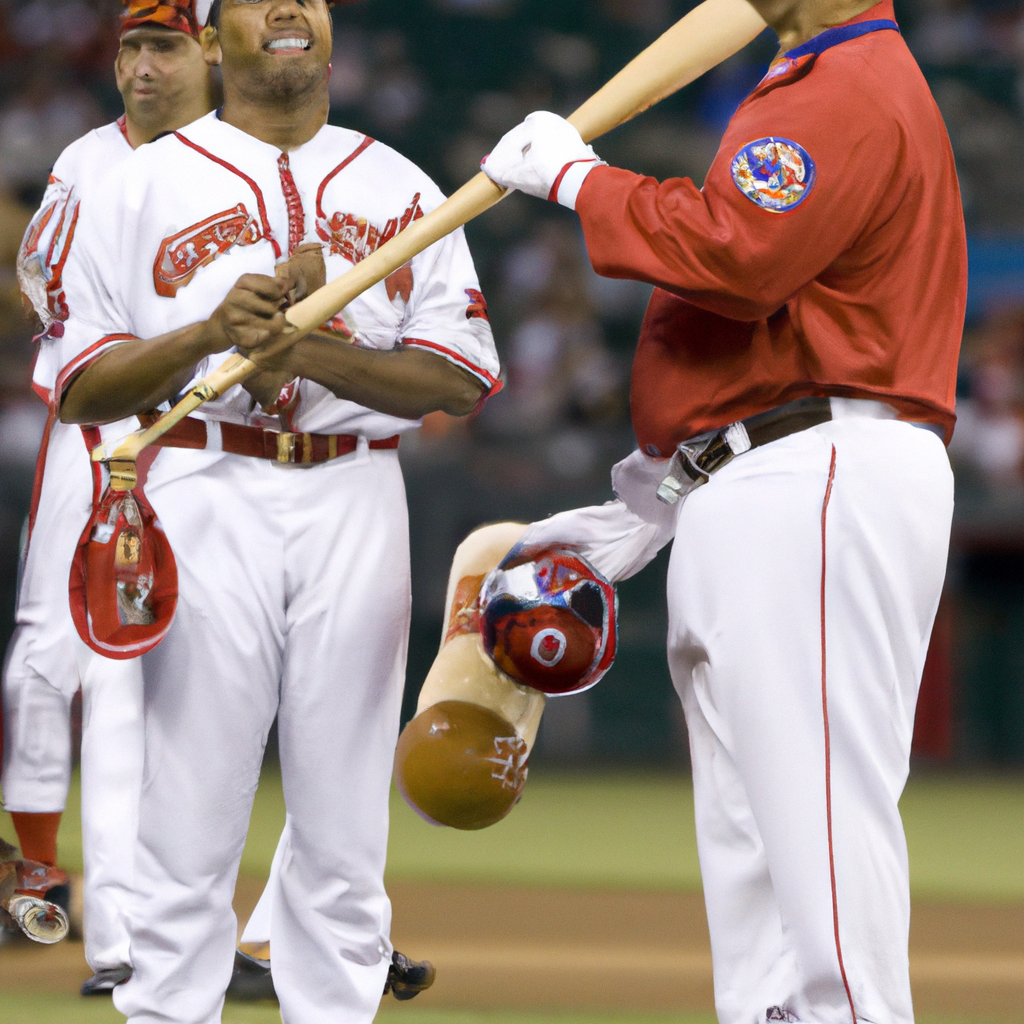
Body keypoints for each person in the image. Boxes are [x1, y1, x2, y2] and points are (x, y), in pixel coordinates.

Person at [481, 0, 965, 1021]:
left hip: (822, 462)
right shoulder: (814, 77)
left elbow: (737, 259)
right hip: (761, 467)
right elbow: (756, 326)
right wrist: (657, 495)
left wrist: (581, 179)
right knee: (750, 823)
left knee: (817, 805)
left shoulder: (846, 81)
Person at [53, 0, 499, 1020]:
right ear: (212, 42)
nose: (291, 7)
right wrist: (209, 333)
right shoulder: (136, 186)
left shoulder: (403, 185)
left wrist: (304, 347)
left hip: (356, 491)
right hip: (202, 482)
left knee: (345, 836)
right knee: (188, 820)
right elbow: (79, 386)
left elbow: (459, 378)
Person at [5, 0, 214, 994]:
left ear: (206, 53)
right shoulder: (88, 160)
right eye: (132, 45)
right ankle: (42, 872)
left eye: (164, 45)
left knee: (209, 673)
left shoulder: (245, 158)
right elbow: (38, 280)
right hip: (101, 430)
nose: (143, 64)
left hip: (216, 437)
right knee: (57, 650)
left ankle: (191, 914)